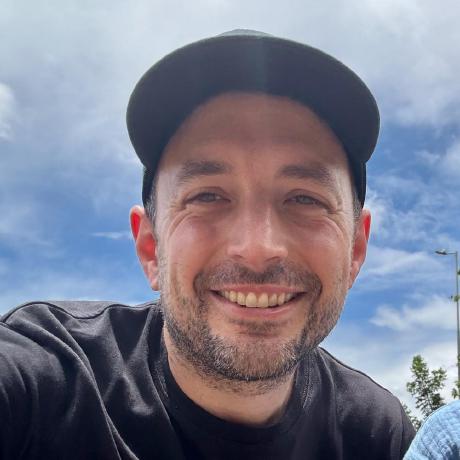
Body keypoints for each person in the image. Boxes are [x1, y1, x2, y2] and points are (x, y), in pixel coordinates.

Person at [0, 30, 414, 459]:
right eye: (208, 196)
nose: (258, 247)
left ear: (355, 250)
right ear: (150, 246)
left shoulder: (375, 434)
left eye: (305, 199)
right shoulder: (45, 383)